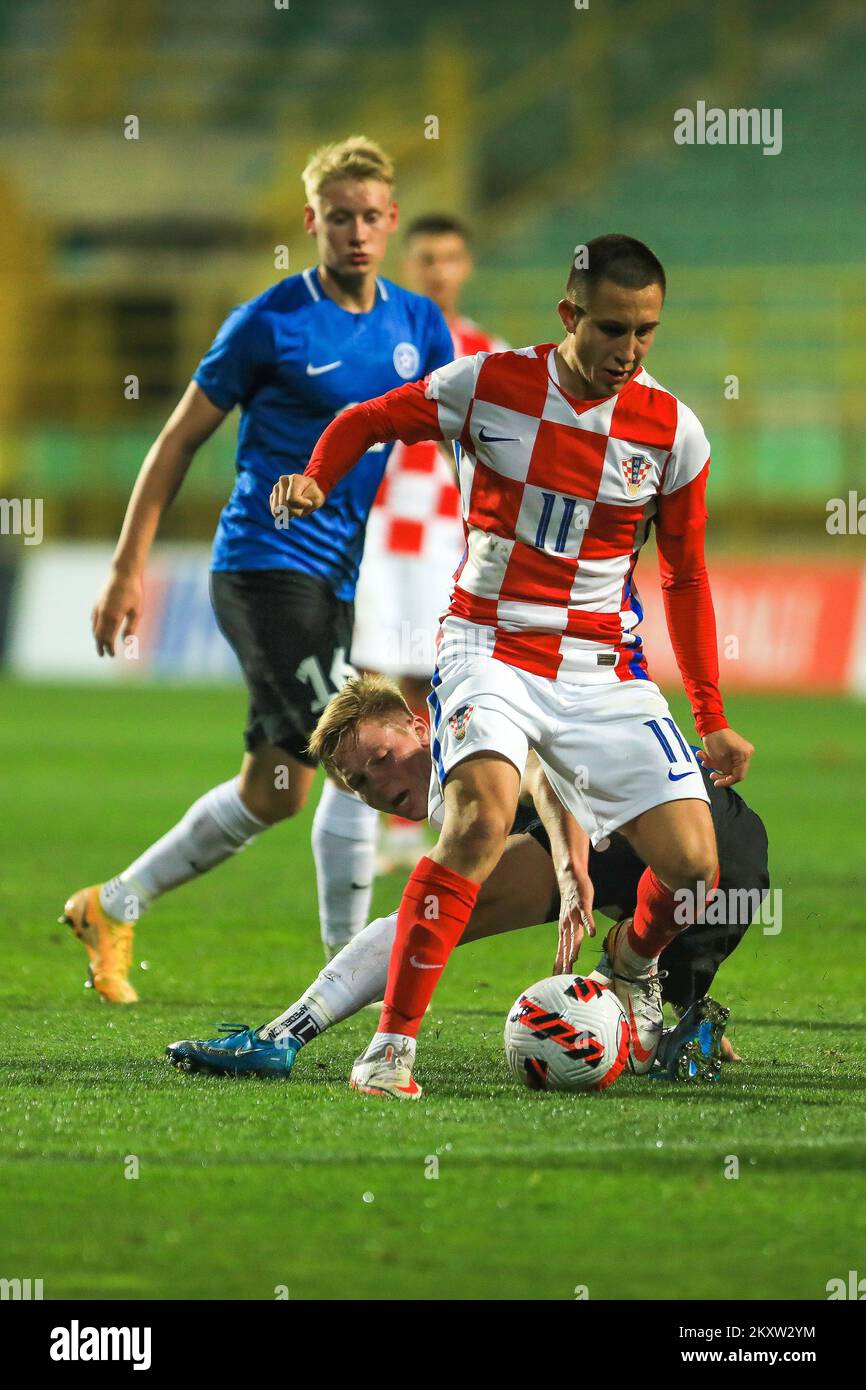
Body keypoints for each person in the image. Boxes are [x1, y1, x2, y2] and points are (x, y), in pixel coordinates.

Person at [270, 233, 755, 1099]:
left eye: (647, 331)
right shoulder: (488, 384)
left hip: (600, 665)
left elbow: (685, 573)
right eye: (612, 328)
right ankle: (391, 1049)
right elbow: (366, 421)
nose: (630, 350)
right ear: (570, 315)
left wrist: (711, 713)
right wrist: (315, 477)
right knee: (479, 823)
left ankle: (633, 965)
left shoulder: (674, 430)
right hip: (488, 643)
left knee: (696, 868)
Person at [61, 135, 453, 1002]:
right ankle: (349, 983)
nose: (356, 232)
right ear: (312, 222)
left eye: (371, 218)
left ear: (390, 223)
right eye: (339, 218)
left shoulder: (419, 324)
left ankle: (112, 902)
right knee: (371, 753)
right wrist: (128, 568)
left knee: (275, 790)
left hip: (336, 581)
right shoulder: (268, 322)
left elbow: (459, 434)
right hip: (261, 567)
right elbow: (176, 444)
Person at [166, 674, 769, 1081]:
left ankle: (286, 1036)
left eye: (382, 756)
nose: (380, 782)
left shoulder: (466, 729)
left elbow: (543, 775)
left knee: (430, 913)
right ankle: (666, 1005)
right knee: (651, 1055)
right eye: (361, 783)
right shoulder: (440, 777)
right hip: (715, 876)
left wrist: (567, 867)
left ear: (420, 725)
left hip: (697, 839)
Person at [352, 213, 508, 873]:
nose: (437, 270)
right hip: (382, 530)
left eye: (448, 257)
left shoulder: (487, 351)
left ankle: (434, 815)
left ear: (465, 264)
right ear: (406, 265)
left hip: (451, 532)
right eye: (425, 259)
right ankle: (379, 824)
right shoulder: (372, 344)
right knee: (370, 681)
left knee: (437, 680)